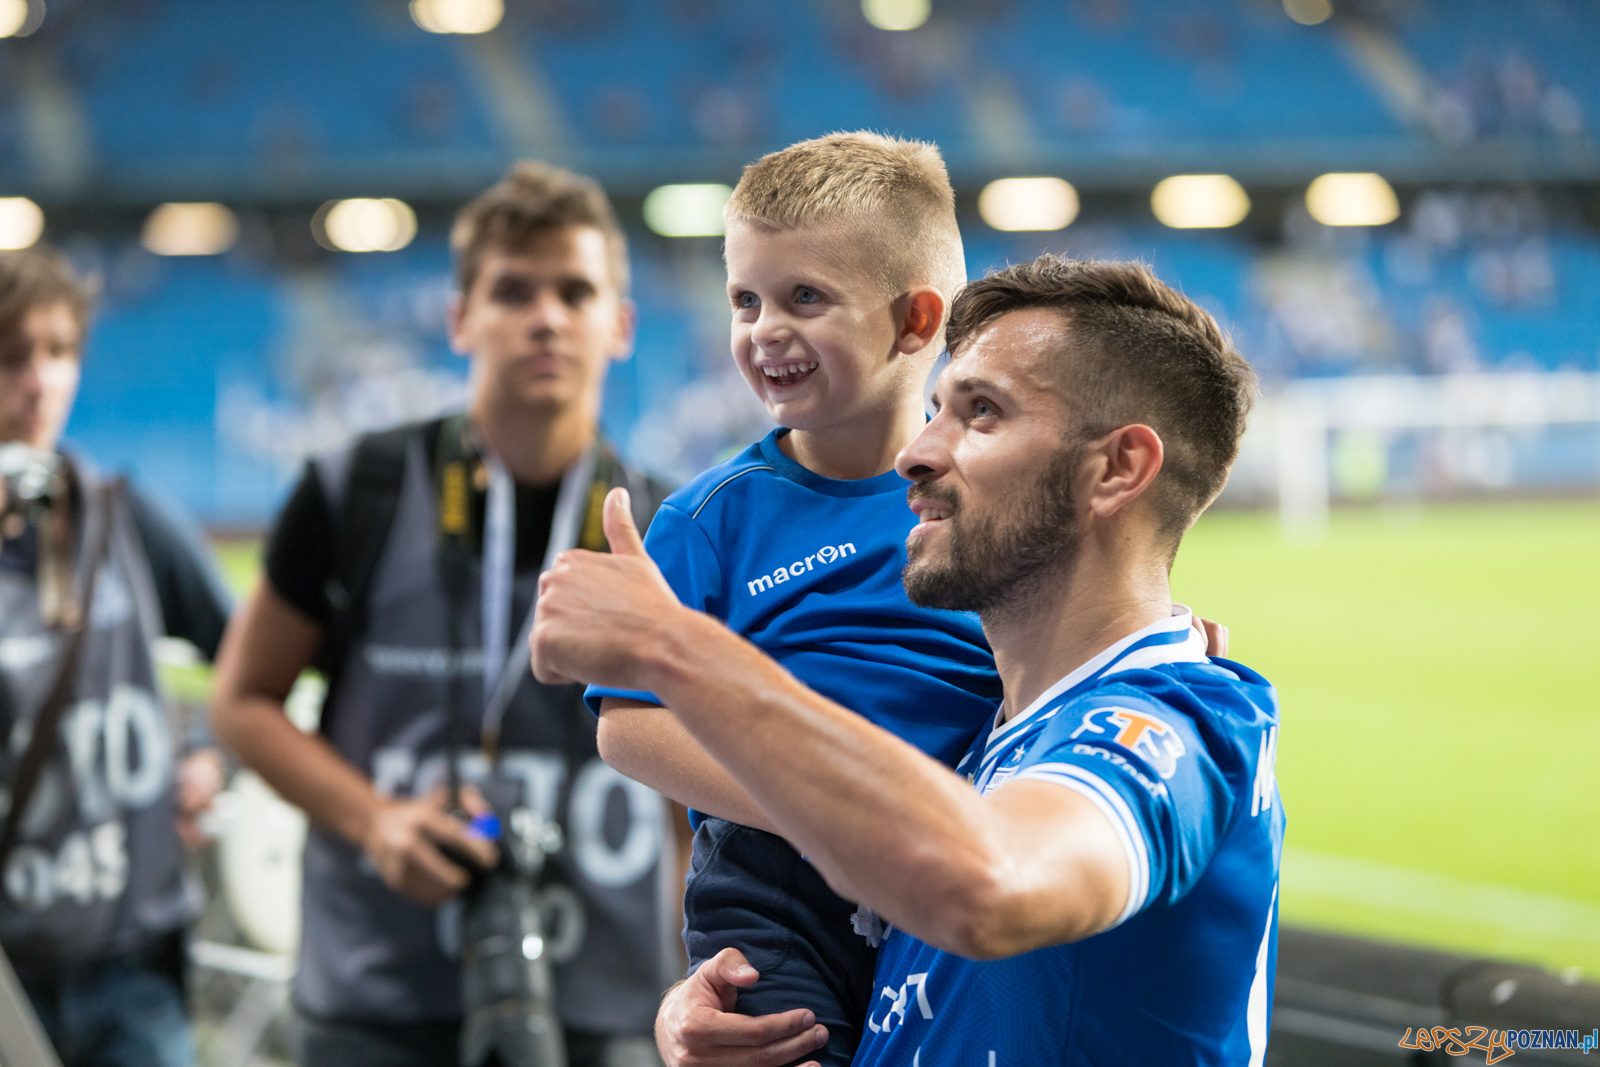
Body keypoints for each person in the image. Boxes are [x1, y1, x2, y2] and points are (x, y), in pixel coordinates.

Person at [533, 254, 1284, 1064]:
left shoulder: (1184, 722)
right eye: (934, 410)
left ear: (1117, 468)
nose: (915, 454)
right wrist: (726, 1017)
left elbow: (986, 883)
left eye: (982, 412)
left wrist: (675, 648)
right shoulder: (976, 749)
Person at [211, 162, 676, 1067]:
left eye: (575, 292)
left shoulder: (673, 527)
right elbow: (241, 701)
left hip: (606, 1003)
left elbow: (704, 787)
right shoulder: (358, 491)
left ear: (620, 324)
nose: (546, 317)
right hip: (376, 997)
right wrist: (375, 821)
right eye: (512, 291)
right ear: (460, 317)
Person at [586, 132, 1003, 1067]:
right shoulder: (709, 519)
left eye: (804, 297)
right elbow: (628, 725)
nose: (762, 329)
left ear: (915, 320)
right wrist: (823, 810)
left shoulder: (994, 501)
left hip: (953, 866)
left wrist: (1154, 638)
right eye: (745, 299)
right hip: (774, 892)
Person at [0, 246, 232, 1067]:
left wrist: (210, 751)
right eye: (12, 355)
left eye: (59, 351)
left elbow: (251, 662)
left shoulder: (128, 518)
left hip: (133, 965)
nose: (39, 381)